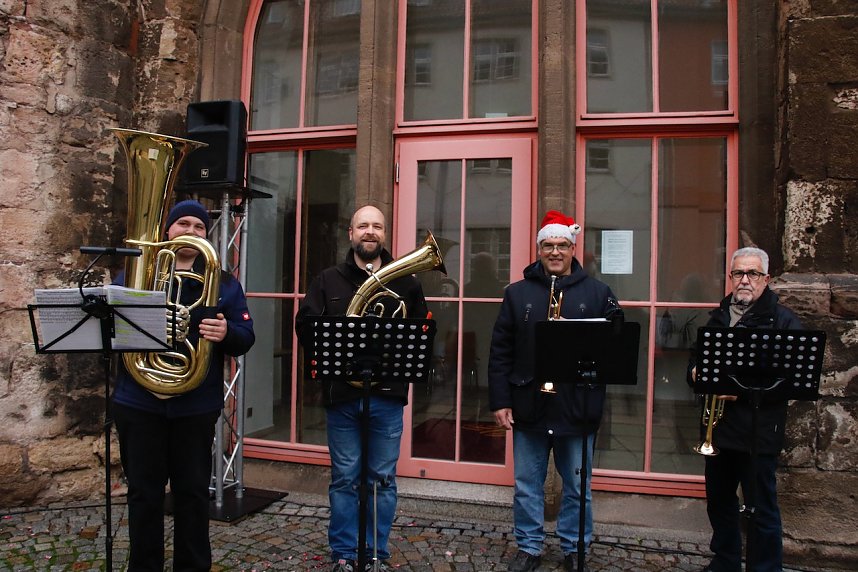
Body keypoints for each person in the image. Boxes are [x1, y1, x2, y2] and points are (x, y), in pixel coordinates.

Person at [112, 199, 256, 571]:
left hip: (194, 404)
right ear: (167, 231)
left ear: (207, 235)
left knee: (192, 494)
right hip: (139, 401)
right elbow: (107, 328)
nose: (191, 232)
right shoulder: (133, 275)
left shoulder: (224, 283)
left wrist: (226, 332)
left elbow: (245, 336)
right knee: (144, 494)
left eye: (199, 227)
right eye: (183, 224)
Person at [295, 205, 429, 572]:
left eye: (377, 226)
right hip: (342, 395)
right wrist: (334, 336)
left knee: (382, 479)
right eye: (363, 226)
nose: (370, 232)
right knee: (345, 478)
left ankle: (374, 553)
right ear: (350, 233)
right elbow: (305, 326)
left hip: (386, 396)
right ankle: (343, 552)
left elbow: (419, 334)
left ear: (384, 234)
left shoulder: (407, 282)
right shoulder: (328, 279)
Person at [488, 210, 622, 572]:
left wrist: (577, 336)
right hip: (529, 402)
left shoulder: (599, 293)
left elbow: (616, 348)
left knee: (578, 487)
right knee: (527, 484)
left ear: (573, 247)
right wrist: (500, 401)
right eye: (548, 245)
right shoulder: (516, 294)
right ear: (539, 249)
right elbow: (500, 351)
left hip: (576, 407)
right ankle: (529, 547)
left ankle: (575, 546)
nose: (555, 252)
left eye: (562, 245)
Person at [688, 247, 802, 572]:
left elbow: (792, 382)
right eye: (738, 273)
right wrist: (694, 373)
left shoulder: (784, 321)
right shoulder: (719, 316)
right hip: (720, 435)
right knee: (720, 503)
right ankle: (724, 562)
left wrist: (742, 392)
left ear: (766, 279)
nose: (745, 280)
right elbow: (696, 360)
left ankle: (765, 568)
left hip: (758, 433)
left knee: (762, 509)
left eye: (752, 274)